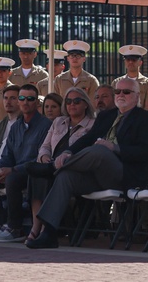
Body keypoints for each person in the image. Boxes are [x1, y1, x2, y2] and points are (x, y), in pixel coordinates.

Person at [26, 77, 148, 249]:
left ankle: (51, 168)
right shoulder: (106, 116)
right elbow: (88, 138)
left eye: (126, 92)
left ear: (137, 95)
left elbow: (146, 152)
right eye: (117, 91)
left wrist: (114, 148)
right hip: (96, 174)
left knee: (100, 149)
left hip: (125, 174)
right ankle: (49, 233)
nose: (121, 95)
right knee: (66, 176)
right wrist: (68, 151)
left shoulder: (146, 118)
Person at [0, 84, 53, 242]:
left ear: (36, 102)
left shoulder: (45, 125)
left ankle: (15, 228)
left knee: (13, 179)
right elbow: (8, 154)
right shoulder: (16, 126)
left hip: (31, 171)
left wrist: (12, 170)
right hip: (12, 170)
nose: (25, 102)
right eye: (22, 98)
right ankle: (2, 223)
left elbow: (39, 157)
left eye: (30, 99)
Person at [26, 87, 97, 241]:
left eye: (77, 101)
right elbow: (45, 146)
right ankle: (36, 226)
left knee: (44, 176)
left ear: (86, 104)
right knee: (36, 175)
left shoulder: (92, 125)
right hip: (50, 164)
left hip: (72, 168)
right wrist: (44, 156)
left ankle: (45, 227)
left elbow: (87, 153)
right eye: (69, 101)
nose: (72, 104)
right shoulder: (59, 122)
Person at [114, 44, 148, 110]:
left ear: (140, 62)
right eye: (128, 59)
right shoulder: (117, 82)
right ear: (124, 62)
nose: (130, 62)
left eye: (134, 60)